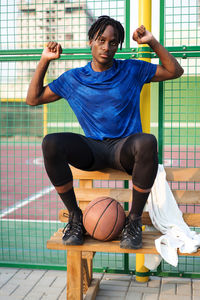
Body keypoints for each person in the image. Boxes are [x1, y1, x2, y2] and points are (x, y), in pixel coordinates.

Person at [26, 16, 184, 249]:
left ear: (118, 46)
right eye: (101, 40)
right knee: (51, 142)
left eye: (113, 42)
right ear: (91, 41)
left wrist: (151, 42)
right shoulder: (74, 78)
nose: (107, 47)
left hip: (124, 150)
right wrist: (45, 60)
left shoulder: (132, 69)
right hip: (93, 150)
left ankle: (133, 222)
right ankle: (75, 217)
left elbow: (175, 71)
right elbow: (33, 99)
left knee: (147, 141)